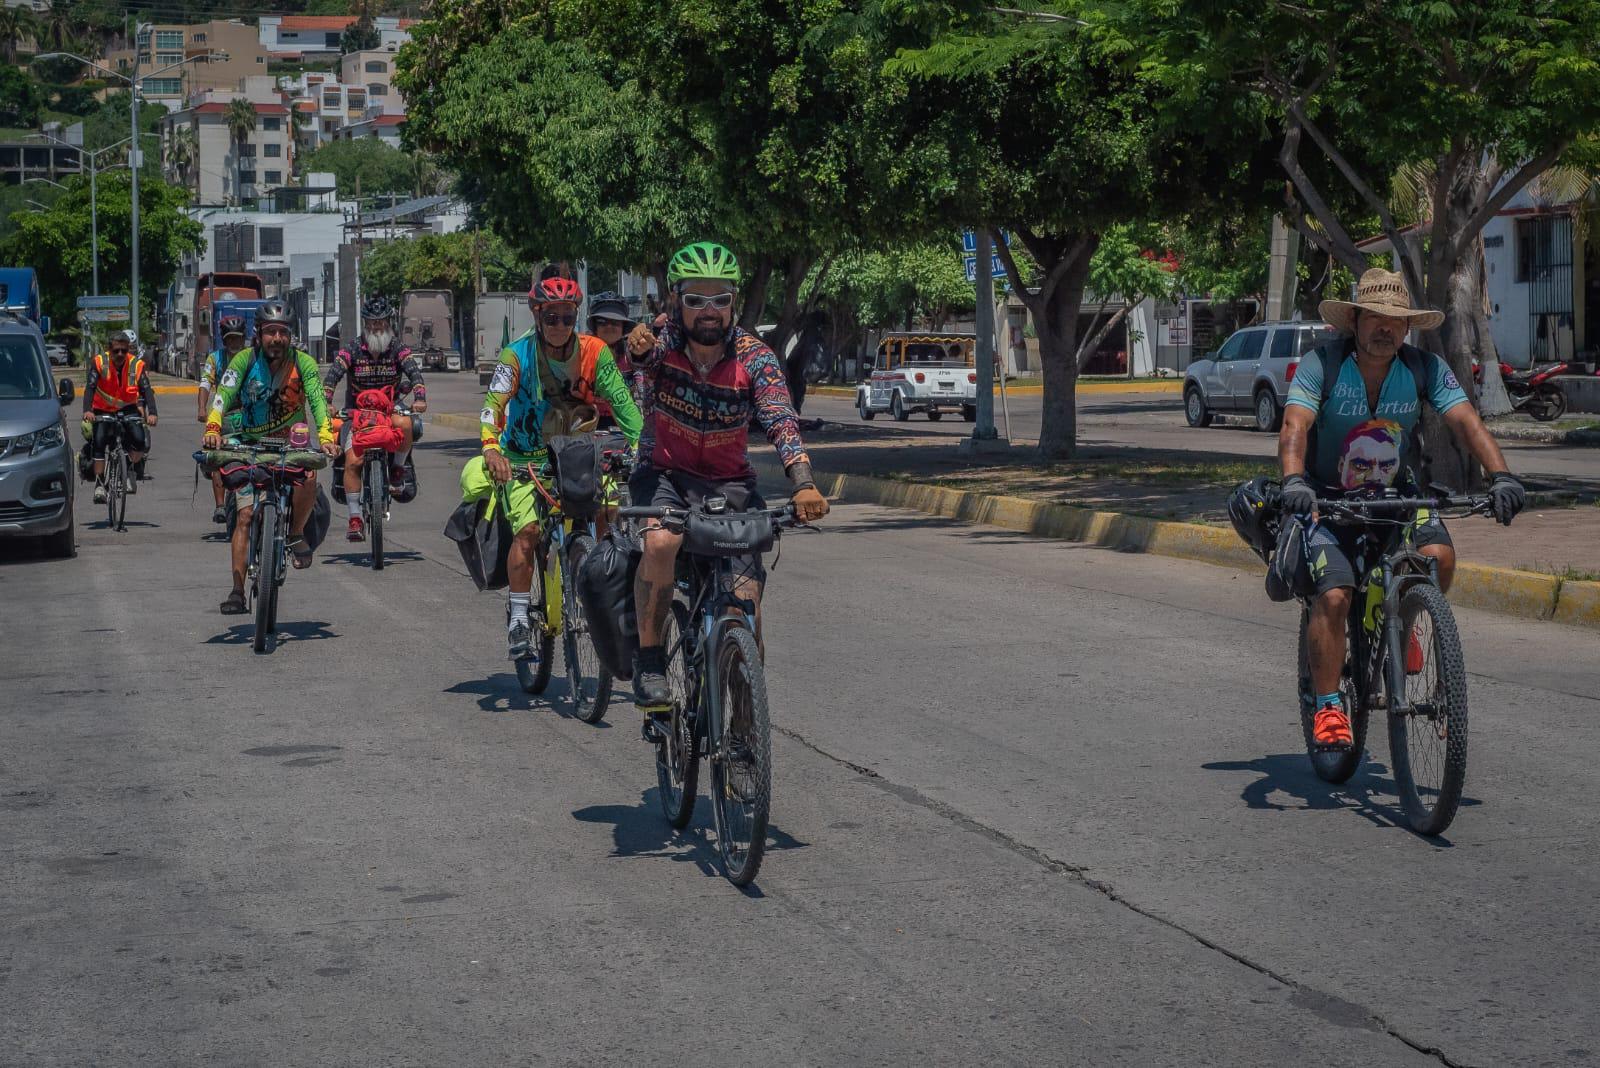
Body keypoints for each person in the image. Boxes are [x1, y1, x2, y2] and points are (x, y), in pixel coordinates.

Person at [1279, 269, 1526, 750]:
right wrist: (1293, 481)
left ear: (1408, 327)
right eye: (1375, 317)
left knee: (1439, 555)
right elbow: (1294, 425)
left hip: (1397, 496)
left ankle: (1408, 618)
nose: (1385, 328)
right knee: (1333, 596)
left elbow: (1466, 421)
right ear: (1355, 320)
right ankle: (1329, 706)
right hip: (1327, 498)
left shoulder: (1423, 368)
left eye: (1395, 320)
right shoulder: (1321, 364)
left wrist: (1502, 476)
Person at [628, 242, 831, 716]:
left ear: (734, 302)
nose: (709, 310)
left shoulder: (755, 359)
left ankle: (743, 732)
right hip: (665, 476)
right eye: (696, 298)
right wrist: (638, 350)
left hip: (730, 486)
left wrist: (802, 481)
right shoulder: (663, 346)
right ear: (676, 300)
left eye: (720, 298)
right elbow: (644, 360)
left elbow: (781, 419)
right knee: (658, 545)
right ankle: (651, 660)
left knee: (746, 609)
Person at [466, 275, 643, 659]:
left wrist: (641, 445)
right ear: (537, 314)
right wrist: (490, 447)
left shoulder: (596, 351)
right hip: (525, 459)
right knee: (528, 531)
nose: (560, 326)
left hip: (580, 455)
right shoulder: (515, 355)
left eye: (567, 318)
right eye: (552, 318)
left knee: (611, 512)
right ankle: (517, 619)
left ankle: (608, 591)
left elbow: (625, 405)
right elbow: (493, 405)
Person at [202, 302, 338, 614]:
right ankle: (237, 591)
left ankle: (295, 534)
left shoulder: (304, 363)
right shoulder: (243, 360)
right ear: (259, 334)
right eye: (270, 332)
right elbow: (222, 394)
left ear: (291, 336)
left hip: (291, 445)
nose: (276, 338)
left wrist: (327, 438)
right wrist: (212, 425)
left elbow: (317, 401)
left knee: (311, 476)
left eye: (283, 332)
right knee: (245, 515)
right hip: (249, 444)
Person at [323, 296, 427, 542]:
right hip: (356, 412)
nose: (377, 327)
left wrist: (420, 398)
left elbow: (415, 375)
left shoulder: (399, 348)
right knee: (353, 459)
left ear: (388, 323)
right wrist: (326, 401)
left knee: (407, 423)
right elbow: (332, 377)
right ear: (365, 323)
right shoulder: (351, 349)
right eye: (372, 322)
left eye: (381, 322)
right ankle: (355, 516)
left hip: (390, 409)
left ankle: (399, 469)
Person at [82, 329, 156, 505]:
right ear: (110, 349)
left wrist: (152, 413)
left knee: (140, 441)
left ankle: (129, 468)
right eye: (116, 351)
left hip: (128, 408)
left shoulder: (136, 365)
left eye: (124, 350)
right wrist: (88, 410)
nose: (120, 354)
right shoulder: (100, 362)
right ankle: (100, 485)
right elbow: (90, 387)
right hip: (103, 410)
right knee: (99, 442)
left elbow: (146, 390)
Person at [198, 315, 250, 524]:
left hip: (249, 415)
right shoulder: (214, 359)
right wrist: (202, 408)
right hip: (223, 414)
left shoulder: (253, 357)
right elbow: (205, 384)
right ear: (224, 339)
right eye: (230, 339)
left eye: (237, 339)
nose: (234, 343)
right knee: (216, 455)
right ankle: (220, 506)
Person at [585, 291, 655, 428]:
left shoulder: (632, 351)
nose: (609, 326)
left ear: (623, 327)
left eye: (615, 322)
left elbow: (647, 360)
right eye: (602, 322)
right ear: (594, 326)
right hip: (588, 422)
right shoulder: (583, 351)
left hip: (625, 423)